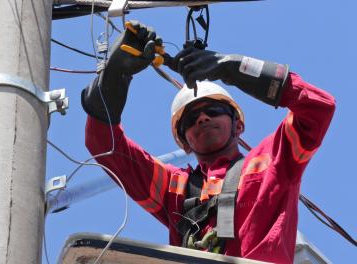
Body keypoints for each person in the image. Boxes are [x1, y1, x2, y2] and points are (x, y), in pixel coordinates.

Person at [81, 21, 335, 264]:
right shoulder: (174, 189)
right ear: (184, 143)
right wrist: (115, 76)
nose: (202, 118)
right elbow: (105, 146)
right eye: (190, 119)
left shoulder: (273, 162)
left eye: (213, 110)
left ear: (239, 125)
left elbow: (318, 107)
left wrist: (232, 68)